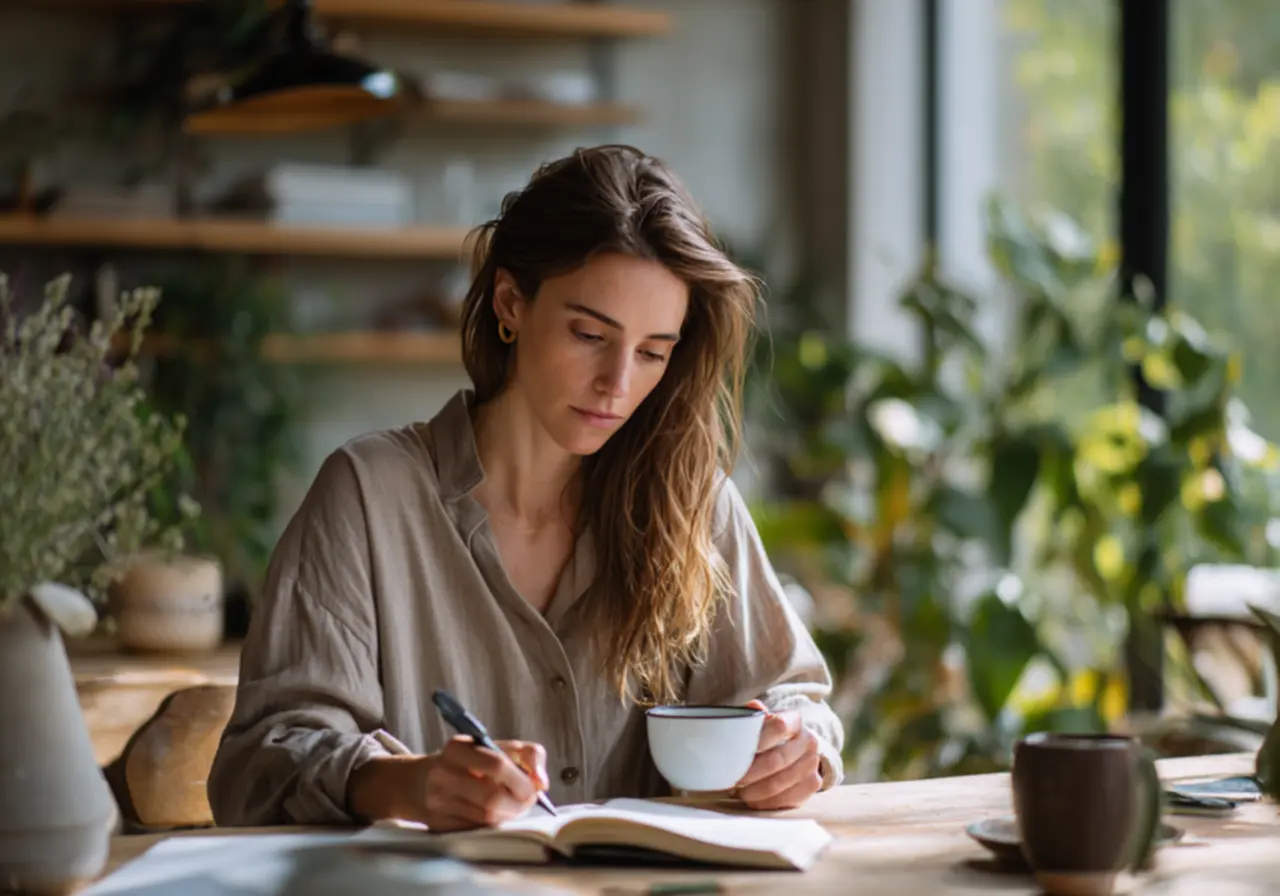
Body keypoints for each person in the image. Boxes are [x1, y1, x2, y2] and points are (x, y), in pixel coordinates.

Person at [207, 144, 845, 832]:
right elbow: (259, 763)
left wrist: (797, 745)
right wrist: (404, 784)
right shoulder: (369, 496)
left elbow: (792, 699)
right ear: (511, 302)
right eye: (589, 334)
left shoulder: (691, 504)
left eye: (654, 352)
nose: (618, 383)